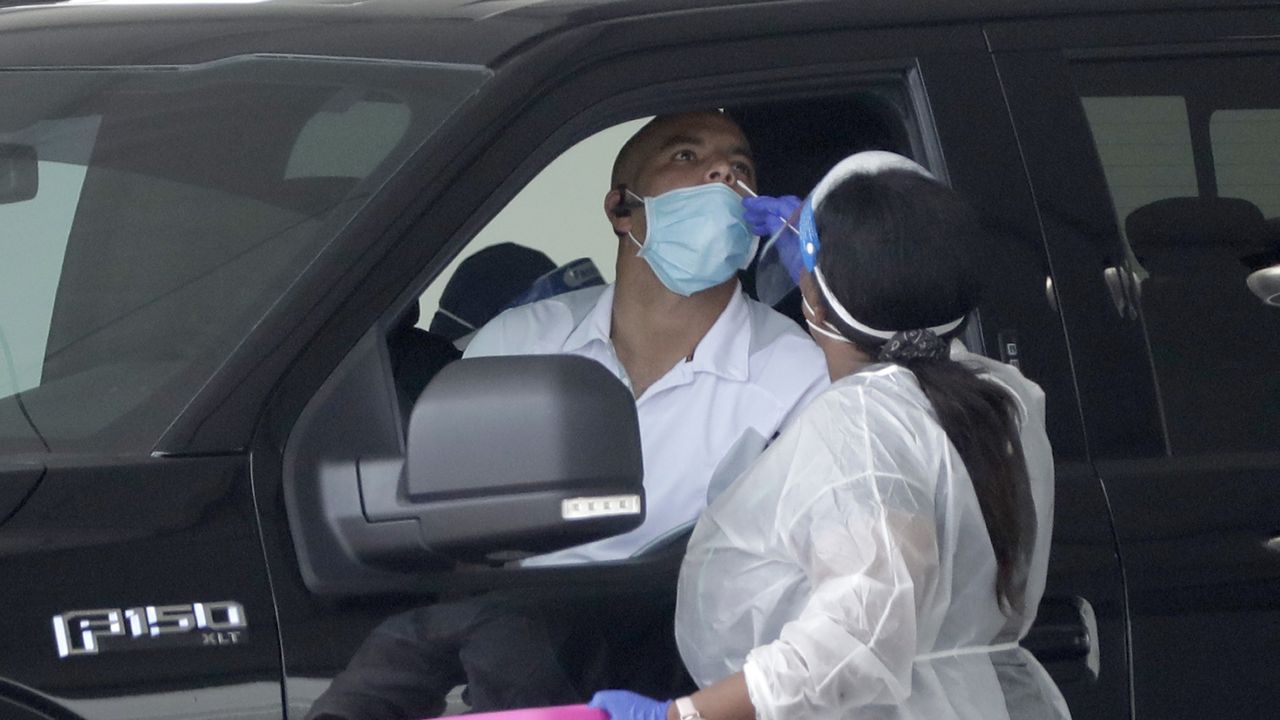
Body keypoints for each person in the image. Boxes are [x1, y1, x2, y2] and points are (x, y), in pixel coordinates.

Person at [307, 110, 829, 720]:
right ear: (620, 210)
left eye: (740, 168)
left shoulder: (800, 373)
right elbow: (451, 531)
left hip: (685, 661)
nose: (723, 172)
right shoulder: (520, 340)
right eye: (686, 157)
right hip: (515, 654)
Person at [590, 152, 1071, 720]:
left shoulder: (863, 426)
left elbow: (860, 637)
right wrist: (822, 270)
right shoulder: (1000, 395)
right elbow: (916, 330)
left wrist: (681, 717)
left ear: (814, 301)